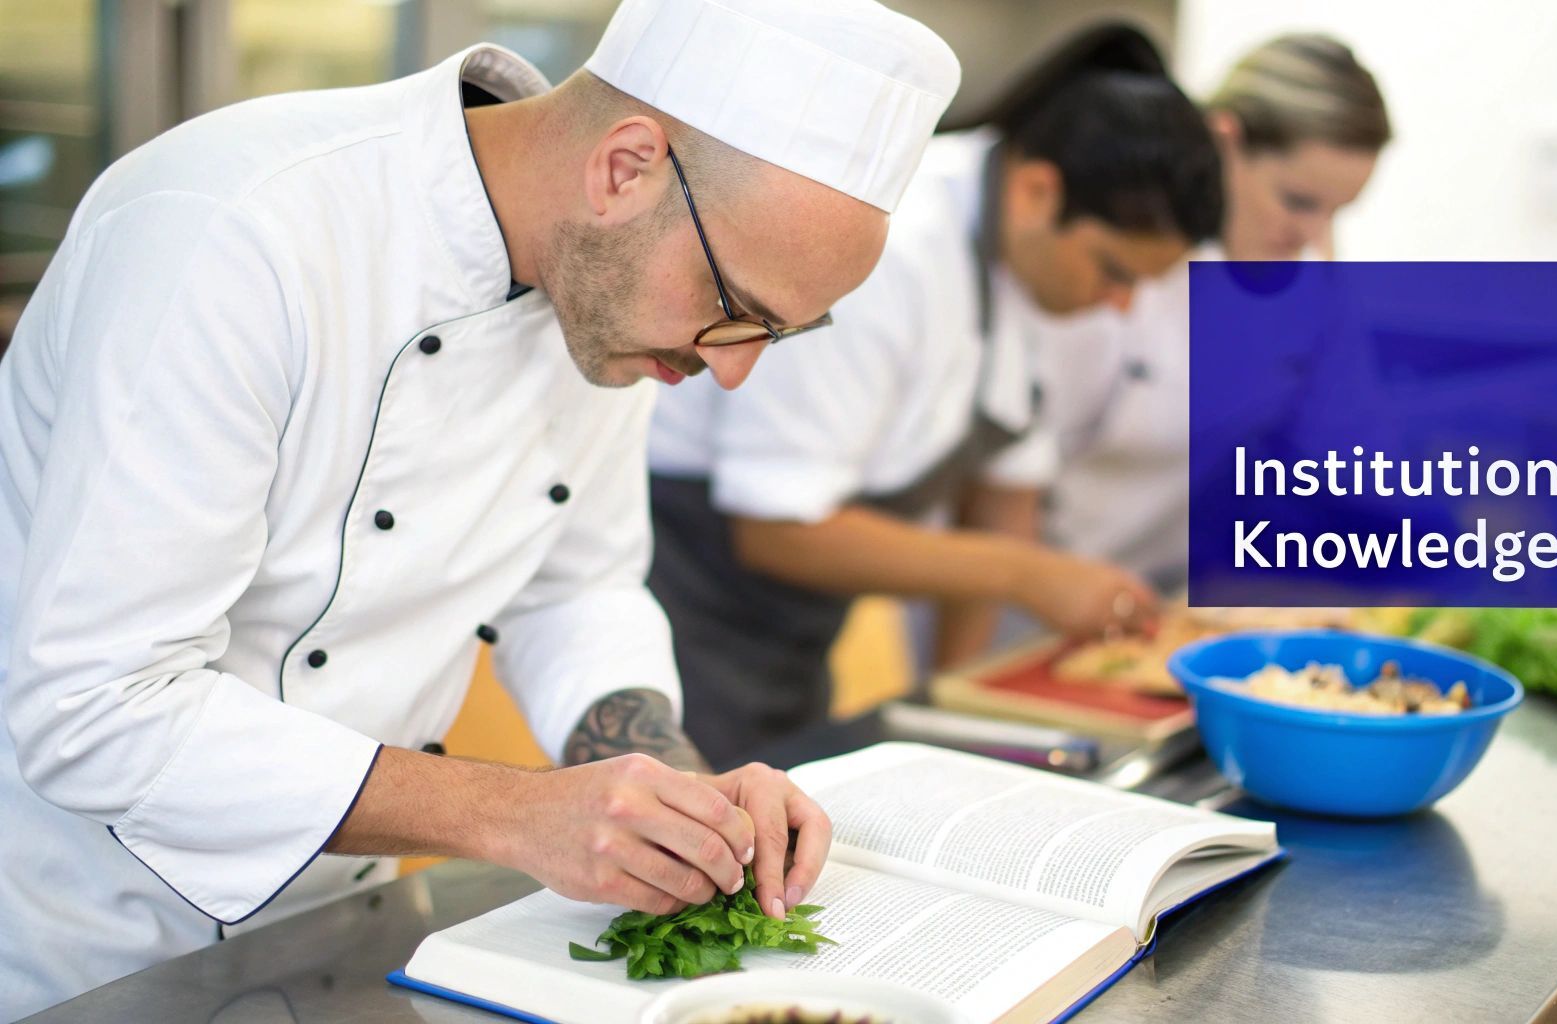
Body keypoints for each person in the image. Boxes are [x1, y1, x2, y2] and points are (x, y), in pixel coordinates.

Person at [0, 0, 960, 1014]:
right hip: (78, 945)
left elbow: (576, 585)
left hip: (333, 916)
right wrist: (516, 814)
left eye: (780, 333)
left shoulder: (611, 294)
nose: (731, 373)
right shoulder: (233, 228)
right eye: (736, 311)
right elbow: (95, 707)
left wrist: (672, 792)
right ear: (624, 167)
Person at [645, 26, 1221, 767]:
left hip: (793, 637)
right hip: (694, 606)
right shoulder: (893, 254)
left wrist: (956, 709)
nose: (1118, 305)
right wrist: (1030, 575)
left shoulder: (1018, 269)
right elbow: (778, 528)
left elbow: (1002, 496)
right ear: (1038, 191)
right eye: (1113, 271)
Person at [1039, 34, 1392, 598]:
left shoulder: (1311, 286)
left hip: (1168, 597)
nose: (1314, 236)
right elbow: (1006, 474)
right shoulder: (1112, 258)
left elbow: (1344, 460)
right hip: (1034, 597)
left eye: (1335, 212)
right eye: (1298, 201)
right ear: (1223, 141)